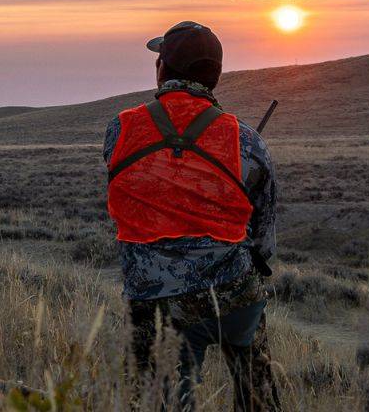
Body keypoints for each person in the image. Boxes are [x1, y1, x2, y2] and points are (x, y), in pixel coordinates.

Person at [105, 21, 283, 411]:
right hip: (232, 291)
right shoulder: (247, 140)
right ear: (214, 76)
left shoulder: (121, 129)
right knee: (257, 387)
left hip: (151, 296)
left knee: (151, 397)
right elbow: (264, 240)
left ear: (162, 69)